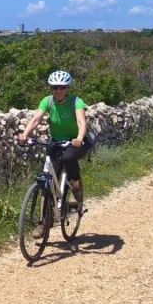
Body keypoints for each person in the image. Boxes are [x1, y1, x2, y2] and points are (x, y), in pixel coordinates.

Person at [17, 70, 90, 213]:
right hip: (57, 141)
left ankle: (76, 185)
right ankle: (43, 222)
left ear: (67, 88)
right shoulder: (47, 101)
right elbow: (36, 119)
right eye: (55, 87)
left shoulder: (76, 101)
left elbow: (82, 122)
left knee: (69, 157)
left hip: (76, 141)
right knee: (48, 181)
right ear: (51, 88)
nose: (58, 90)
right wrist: (25, 133)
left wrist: (79, 138)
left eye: (62, 87)